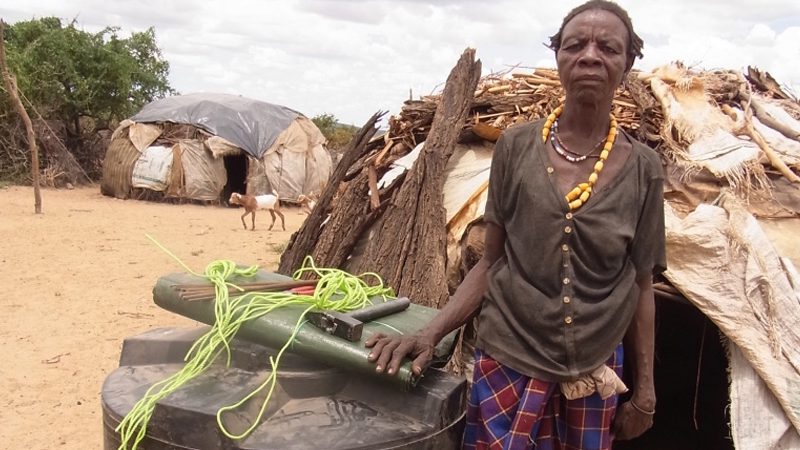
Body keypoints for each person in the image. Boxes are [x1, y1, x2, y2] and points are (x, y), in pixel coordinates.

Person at [366, 1, 666, 448]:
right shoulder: (516, 147)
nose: (589, 55)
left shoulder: (645, 170)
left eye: (608, 47)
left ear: (626, 64)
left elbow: (642, 285)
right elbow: (491, 261)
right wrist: (429, 333)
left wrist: (645, 394)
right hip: (507, 358)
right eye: (575, 44)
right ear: (558, 57)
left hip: (592, 370)